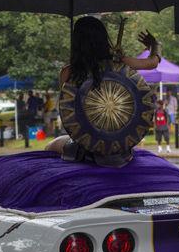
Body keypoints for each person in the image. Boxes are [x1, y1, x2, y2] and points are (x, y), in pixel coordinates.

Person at [46, 16, 160, 165]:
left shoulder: (68, 72)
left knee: (50, 146)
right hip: (120, 150)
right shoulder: (120, 62)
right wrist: (154, 45)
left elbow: (68, 113)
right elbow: (153, 62)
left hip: (84, 150)